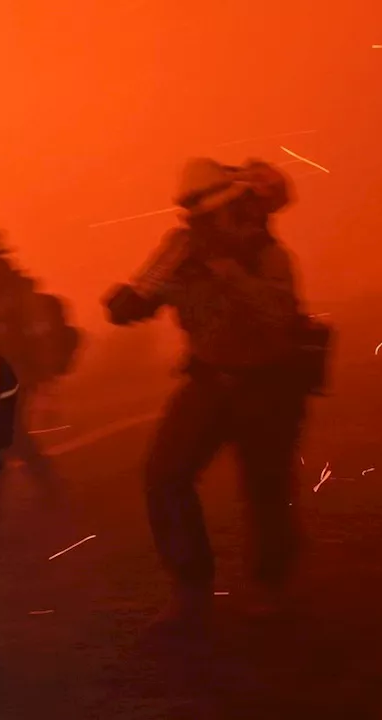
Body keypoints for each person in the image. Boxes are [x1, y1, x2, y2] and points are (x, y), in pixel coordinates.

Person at [103, 157, 327, 629]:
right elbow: (148, 288)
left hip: (270, 386)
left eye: (208, 216)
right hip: (209, 380)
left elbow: (280, 316)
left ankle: (271, 585)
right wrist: (128, 303)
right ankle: (191, 588)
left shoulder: (268, 255)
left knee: (266, 488)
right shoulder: (181, 249)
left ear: (234, 209)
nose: (199, 226)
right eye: (194, 218)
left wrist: (231, 276)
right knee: (164, 478)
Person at [0, 224, 81, 482]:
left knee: (5, 433)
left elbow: (40, 336)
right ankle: (48, 487)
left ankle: (41, 491)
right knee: (5, 435)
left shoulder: (19, 292)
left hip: (20, 374)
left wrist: (47, 385)